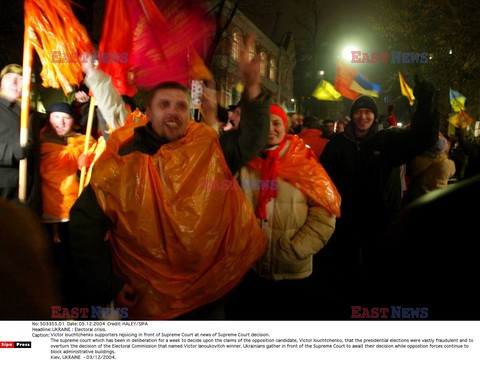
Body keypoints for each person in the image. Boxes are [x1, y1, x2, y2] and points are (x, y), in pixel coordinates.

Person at [69, 35, 270, 320]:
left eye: (181, 106)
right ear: (148, 112)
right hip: (147, 299)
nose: (173, 112)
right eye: (164, 105)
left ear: (189, 114)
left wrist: (252, 87)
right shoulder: (122, 160)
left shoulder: (209, 147)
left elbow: (251, 140)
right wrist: (106, 284)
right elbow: (84, 225)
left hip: (206, 297)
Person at [317, 78, 438, 317]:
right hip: (345, 221)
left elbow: (423, 138)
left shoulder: (388, 140)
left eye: (368, 112)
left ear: (375, 116)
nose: (363, 117)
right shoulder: (336, 144)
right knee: (345, 274)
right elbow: (322, 180)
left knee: (380, 272)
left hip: (380, 219)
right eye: (359, 112)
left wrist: (426, 106)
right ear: (352, 116)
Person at [227, 104, 341, 319]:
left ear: (285, 126)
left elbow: (325, 213)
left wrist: (296, 249)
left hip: (292, 271)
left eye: (276, 123)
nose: (270, 128)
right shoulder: (243, 163)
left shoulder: (305, 162)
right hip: (250, 269)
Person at [40, 102, 96, 243]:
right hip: (46, 208)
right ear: (49, 119)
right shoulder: (37, 141)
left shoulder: (85, 142)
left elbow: (99, 172)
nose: (61, 122)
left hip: (76, 208)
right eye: (56, 116)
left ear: (73, 122)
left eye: (66, 117)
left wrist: (89, 163)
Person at [0, 64, 41, 214]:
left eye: (20, 78)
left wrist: (79, 106)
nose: (14, 82)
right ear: (1, 83)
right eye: (9, 78)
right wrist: (11, 152)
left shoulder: (31, 115)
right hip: (4, 190)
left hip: (29, 191)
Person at [403, 134, 455, 204]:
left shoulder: (417, 159)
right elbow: (452, 173)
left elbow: (409, 172)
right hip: (439, 196)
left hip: (418, 199)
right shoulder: (449, 163)